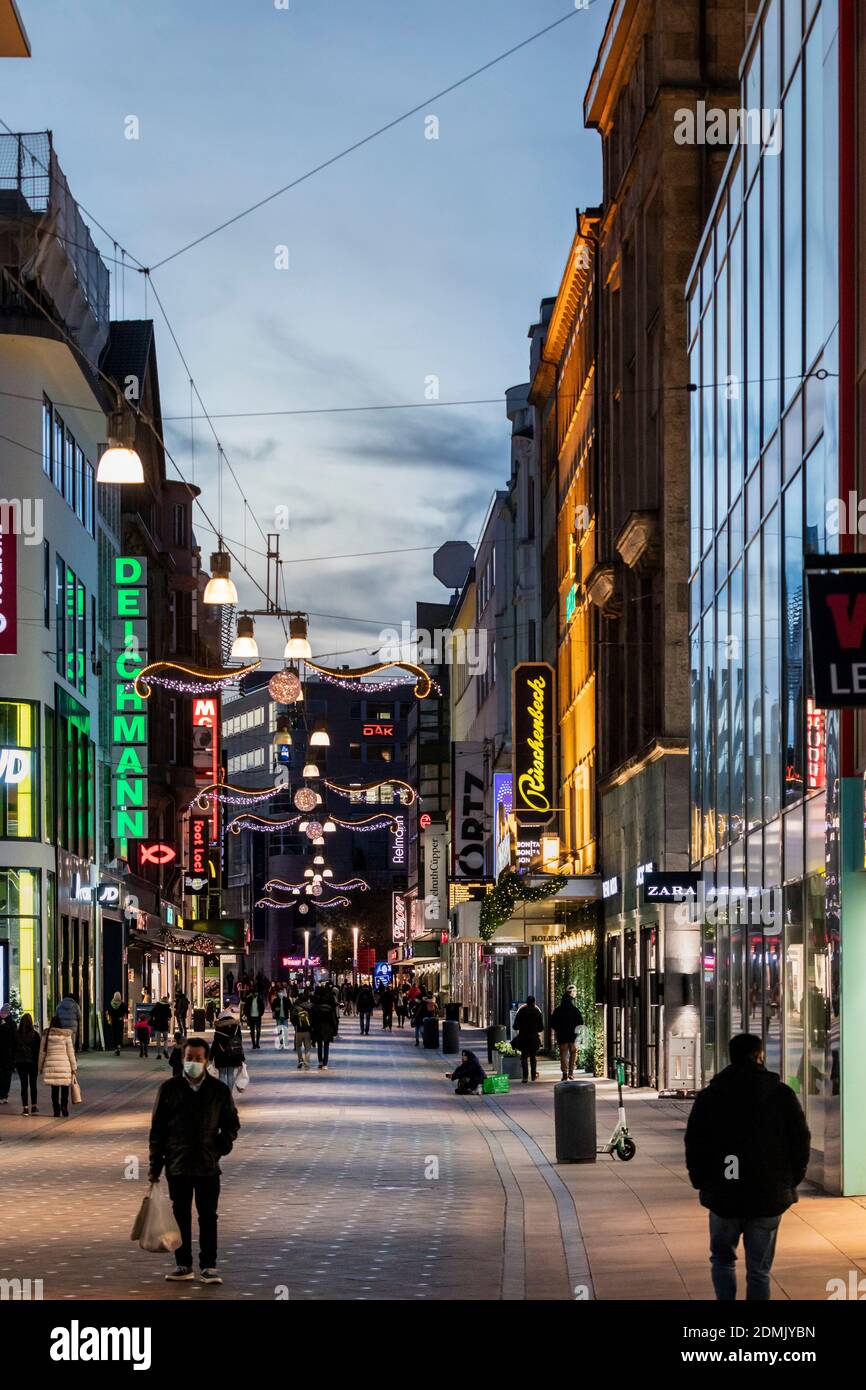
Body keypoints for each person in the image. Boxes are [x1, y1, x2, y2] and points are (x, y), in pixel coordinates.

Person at [685, 1032, 811, 1302]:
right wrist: (791, 1180)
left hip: (723, 1194)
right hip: (768, 1194)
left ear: (729, 1057)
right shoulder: (781, 1095)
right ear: (759, 1056)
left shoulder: (711, 1095)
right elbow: (800, 1139)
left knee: (722, 1259)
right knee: (759, 1270)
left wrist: (701, 1180)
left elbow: (695, 1141)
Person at [149, 1036, 240, 1285]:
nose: (193, 1063)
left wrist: (220, 1147)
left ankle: (209, 1266)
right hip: (177, 1164)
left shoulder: (218, 1091)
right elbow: (157, 1130)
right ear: (182, 1059)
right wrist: (155, 1165)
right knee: (181, 1216)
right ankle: (183, 1264)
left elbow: (232, 1123)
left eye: (198, 1059)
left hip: (208, 1165)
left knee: (208, 1216)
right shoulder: (169, 1089)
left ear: (207, 1060)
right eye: (189, 1058)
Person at [38, 1014, 78, 1117]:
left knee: (54, 1090)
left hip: (50, 1065)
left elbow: (42, 1052)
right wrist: (74, 1067)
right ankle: (64, 1107)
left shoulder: (46, 1035)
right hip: (64, 1065)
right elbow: (71, 1052)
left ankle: (56, 1109)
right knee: (65, 1088)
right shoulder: (66, 1035)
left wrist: (40, 1066)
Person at [550, 985, 584, 1080]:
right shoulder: (575, 1010)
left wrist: (558, 1029)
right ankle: (571, 1072)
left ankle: (564, 1073)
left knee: (563, 1055)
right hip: (573, 1036)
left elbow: (552, 1023)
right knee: (573, 1053)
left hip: (562, 1036)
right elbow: (580, 1022)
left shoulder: (558, 1010)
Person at [512, 995, 545, 1083]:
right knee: (533, 1057)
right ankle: (533, 1076)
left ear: (526, 1002)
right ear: (534, 1002)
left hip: (523, 1037)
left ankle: (525, 1077)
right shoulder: (537, 1012)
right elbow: (541, 1028)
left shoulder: (521, 1011)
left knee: (524, 1057)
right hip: (533, 1038)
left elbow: (515, 1026)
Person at [210, 1011, 245, 1092]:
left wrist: (211, 1056)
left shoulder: (219, 1027)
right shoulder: (236, 1027)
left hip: (221, 1053)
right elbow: (239, 1041)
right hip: (233, 1053)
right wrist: (242, 1056)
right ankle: (229, 1093)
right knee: (230, 1074)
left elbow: (215, 1042)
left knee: (222, 1074)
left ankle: (223, 1093)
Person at [14, 1013, 40, 1114]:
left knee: (23, 1085)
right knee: (33, 1085)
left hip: (21, 1063)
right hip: (33, 1063)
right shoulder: (35, 1035)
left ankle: (25, 1108)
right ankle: (34, 1106)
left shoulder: (17, 1034)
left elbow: (14, 1049)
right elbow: (38, 1051)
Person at [310, 985, 338, 1070]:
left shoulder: (316, 1008)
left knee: (319, 1045)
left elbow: (313, 1019)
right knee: (326, 1045)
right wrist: (335, 1031)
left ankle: (320, 1062)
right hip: (327, 1028)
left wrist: (312, 1029)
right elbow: (333, 1020)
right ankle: (325, 1063)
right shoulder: (329, 1008)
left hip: (318, 1028)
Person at [291, 993, 313, 1070]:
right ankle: (306, 1061)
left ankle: (300, 1060)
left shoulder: (296, 1007)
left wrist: (295, 1025)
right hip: (308, 1030)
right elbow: (313, 1017)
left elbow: (292, 1018)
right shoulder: (310, 1006)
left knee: (298, 1046)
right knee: (307, 1047)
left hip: (298, 1030)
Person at [242, 983, 265, 1050]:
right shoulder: (249, 999)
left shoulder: (260, 1000)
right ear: (252, 993)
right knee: (252, 1031)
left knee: (258, 1030)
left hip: (258, 1017)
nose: (256, 994)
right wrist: (247, 1015)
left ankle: (257, 1043)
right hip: (251, 1017)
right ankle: (253, 1044)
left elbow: (262, 1007)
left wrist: (261, 1014)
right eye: (254, 993)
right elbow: (245, 1007)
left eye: (256, 993)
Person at [0, 1004, 15, 1104]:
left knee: (7, 1075)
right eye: (1, 1012)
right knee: (1, 1075)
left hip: (8, 1054)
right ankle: (2, 1094)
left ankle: (4, 1094)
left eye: (4, 1012)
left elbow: (13, 1038)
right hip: (2, 1054)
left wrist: (4, 1026)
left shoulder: (11, 1024)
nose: (2, 1014)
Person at [272, 985, 291, 1051]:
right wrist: (275, 1009)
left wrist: (287, 1008)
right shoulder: (275, 1000)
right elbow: (273, 1007)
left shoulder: (286, 1000)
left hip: (285, 1017)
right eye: (279, 992)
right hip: (278, 1017)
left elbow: (290, 1007)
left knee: (285, 1030)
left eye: (281, 992)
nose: (280, 993)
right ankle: (281, 1041)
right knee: (279, 1030)